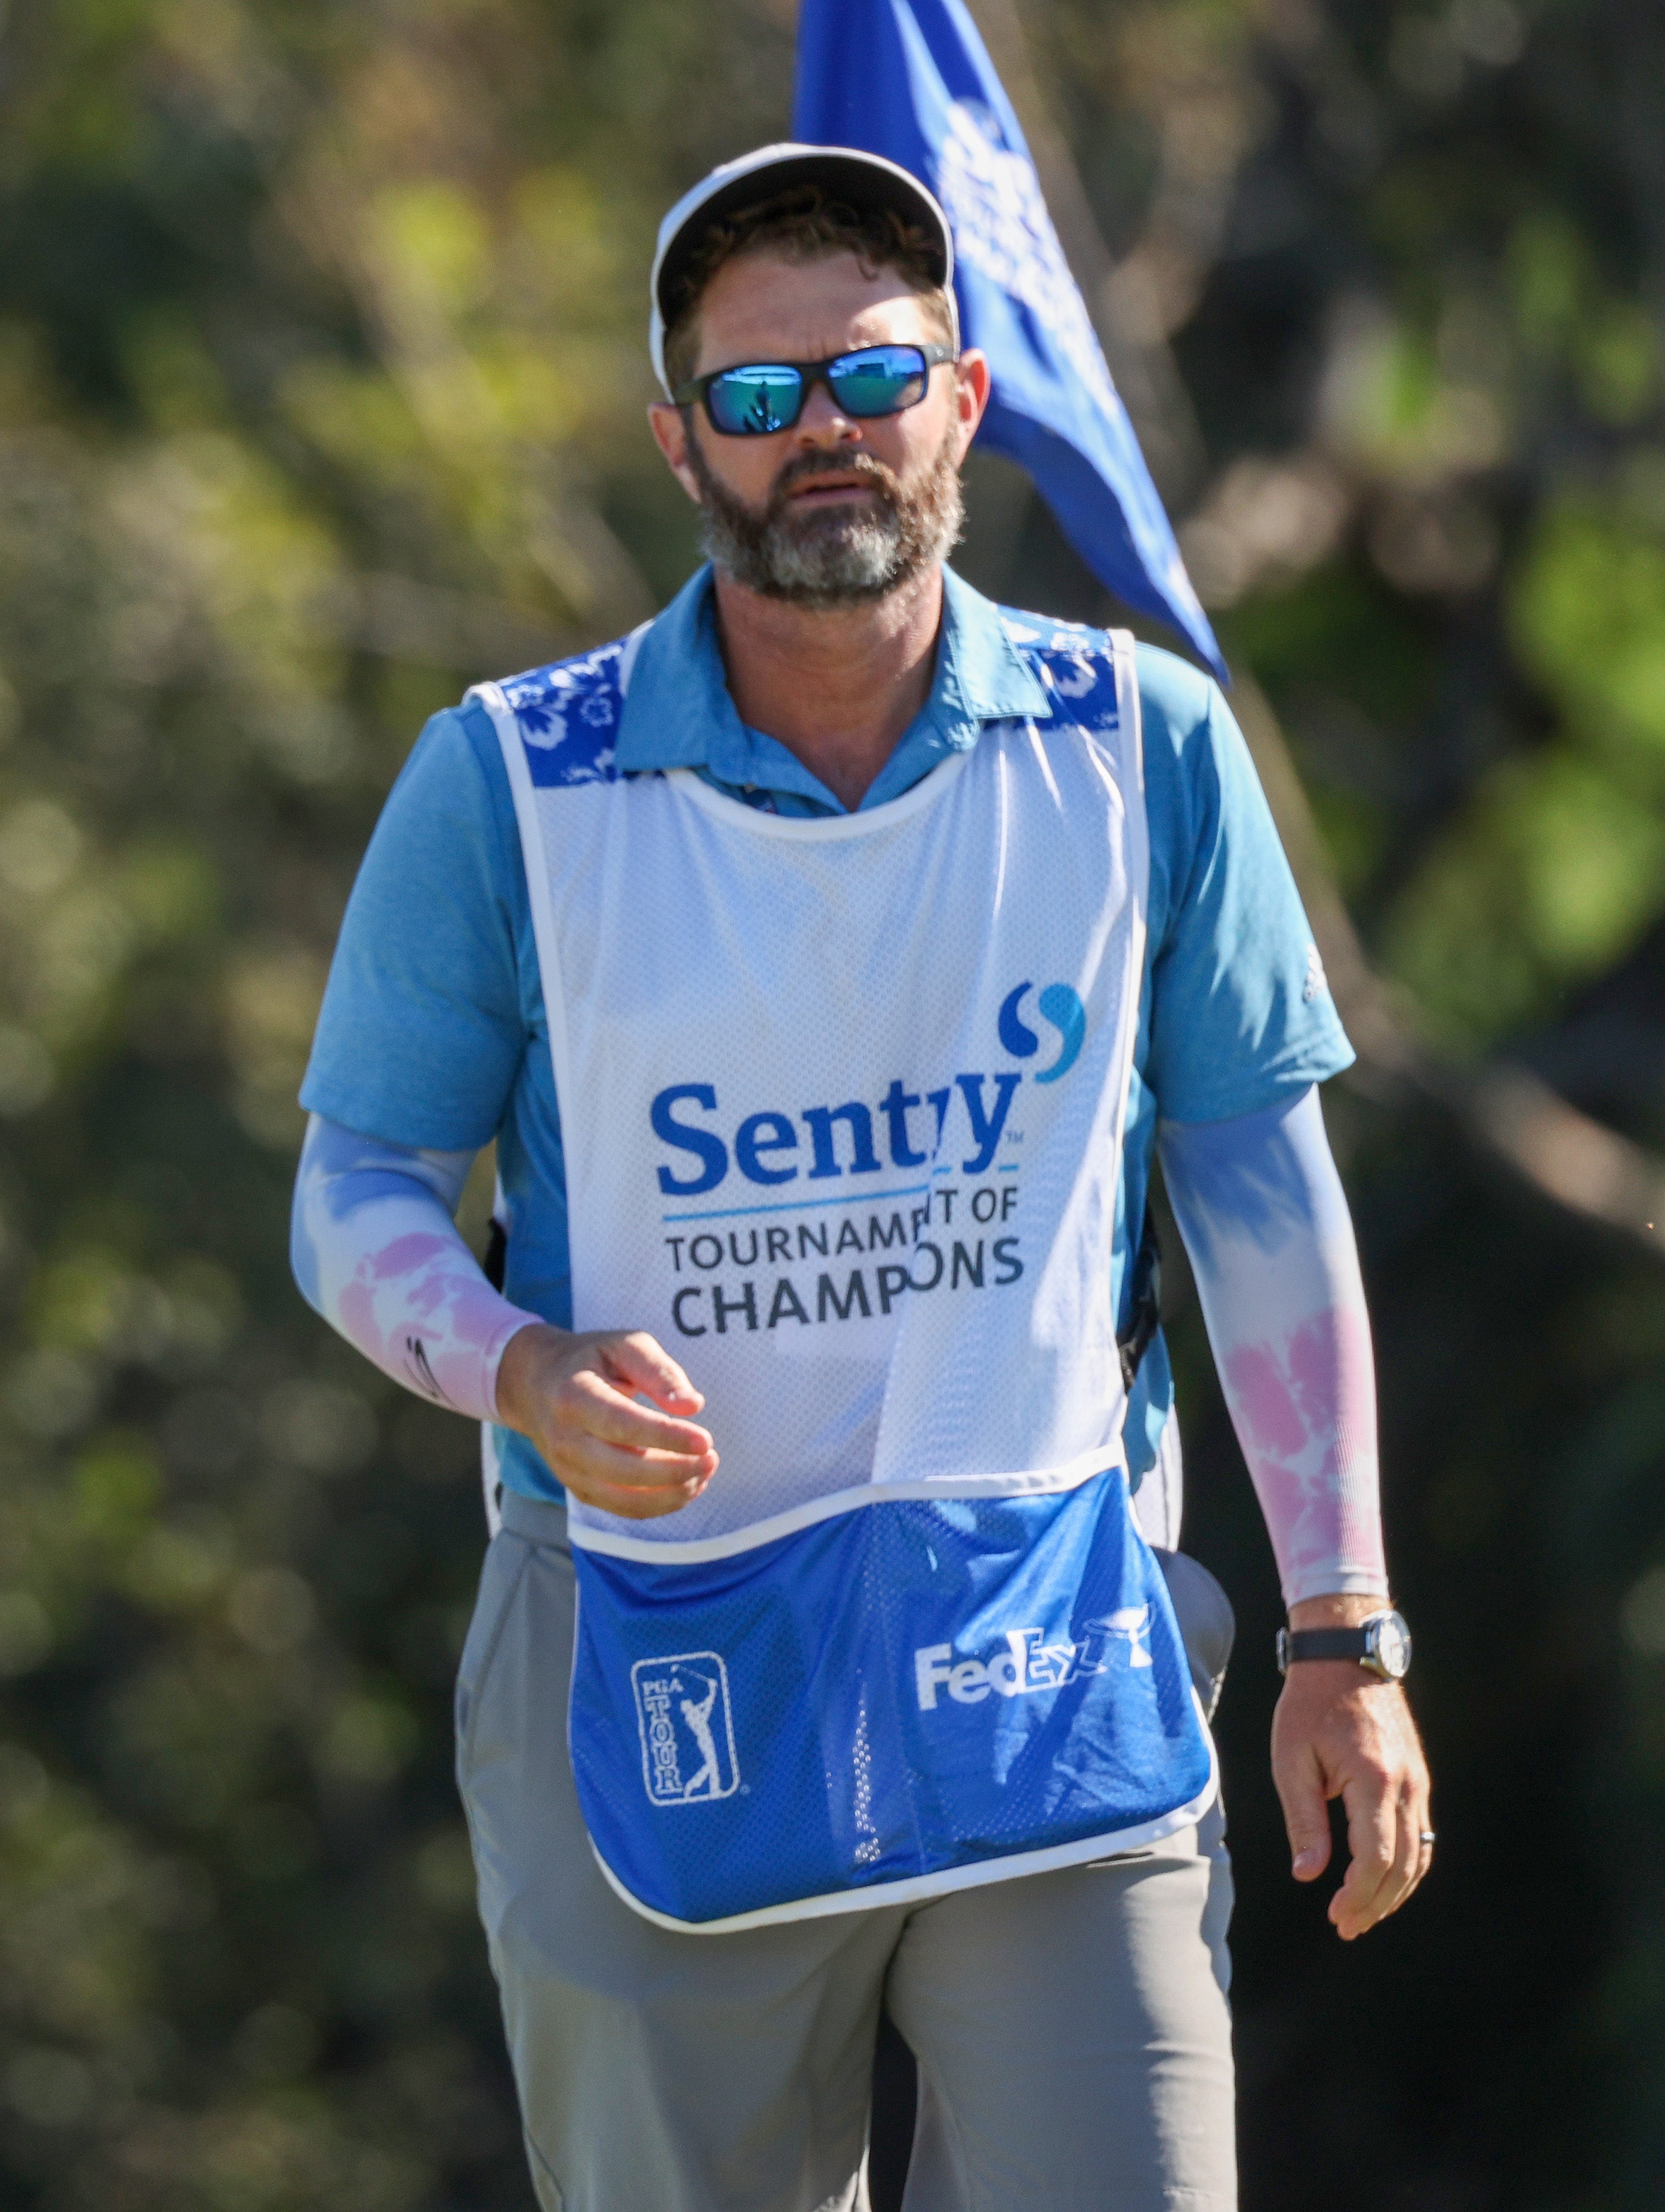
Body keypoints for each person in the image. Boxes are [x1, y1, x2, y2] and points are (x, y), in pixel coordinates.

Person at [291, 145, 1432, 2209]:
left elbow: (1266, 1204)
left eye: (872, 376)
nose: (820, 428)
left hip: (1047, 1648)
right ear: (675, 444)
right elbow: (353, 1190)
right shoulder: (507, 781)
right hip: (644, 1658)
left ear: (963, 401)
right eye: (753, 395)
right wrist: (516, 1367)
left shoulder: (1144, 748)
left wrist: (1343, 1634)